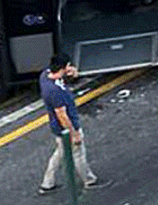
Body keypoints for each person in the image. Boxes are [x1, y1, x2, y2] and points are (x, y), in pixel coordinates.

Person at [38, 53, 109, 195]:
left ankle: (47, 183)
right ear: (64, 68)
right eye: (69, 65)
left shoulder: (45, 76)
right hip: (66, 128)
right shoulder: (55, 92)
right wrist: (74, 133)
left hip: (57, 129)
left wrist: (70, 74)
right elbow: (62, 115)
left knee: (59, 153)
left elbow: (59, 76)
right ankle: (89, 180)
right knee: (78, 154)